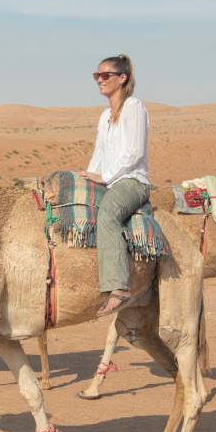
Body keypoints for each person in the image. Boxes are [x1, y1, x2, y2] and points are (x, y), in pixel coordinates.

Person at [83, 53, 151, 316]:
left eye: (105, 75)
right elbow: (99, 152)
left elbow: (134, 151)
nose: (99, 80)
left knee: (108, 214)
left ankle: (119, 288)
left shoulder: (134, 107)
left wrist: (106, 176)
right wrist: (88, 176)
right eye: (96, 76)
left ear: (122, 78)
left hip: (132, 181)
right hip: (111, 179)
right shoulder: (104, 116)